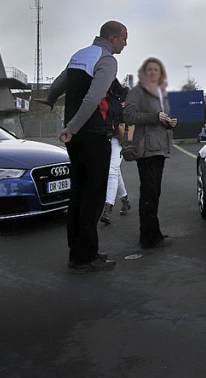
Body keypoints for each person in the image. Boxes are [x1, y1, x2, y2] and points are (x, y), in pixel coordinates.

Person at [51, 20, 127, 273]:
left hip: (75, 137)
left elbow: (60, 82)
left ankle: (76, 252)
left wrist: (51, 100)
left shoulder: (80, 55)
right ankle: (88, 256)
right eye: (124, 38)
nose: (126, 43)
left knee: (78, 193)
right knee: (93, 197)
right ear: (113, 38)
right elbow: (94, 98)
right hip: (92, 133)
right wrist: (72, 128)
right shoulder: (107, 60)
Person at [123, 57, 178, 250]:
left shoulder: (160, 93)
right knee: (149, 192)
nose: (153, 73)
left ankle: (153, 232)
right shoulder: (137, 92)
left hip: (160, 148)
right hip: (146, 149)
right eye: (150, 70)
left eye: (157, 70)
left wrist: (169, 122)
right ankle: (148, 237)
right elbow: (128, 116)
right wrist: (154, 117)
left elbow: (160, 118)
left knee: (155, 192)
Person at [100, 79, 131, 225]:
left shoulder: (123, 96)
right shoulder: (101, 96)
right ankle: (125, 201)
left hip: (119, 138)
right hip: (105, 138)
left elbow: (130, 117)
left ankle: (108, 207)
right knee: (115, 171)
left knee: (111, 171)